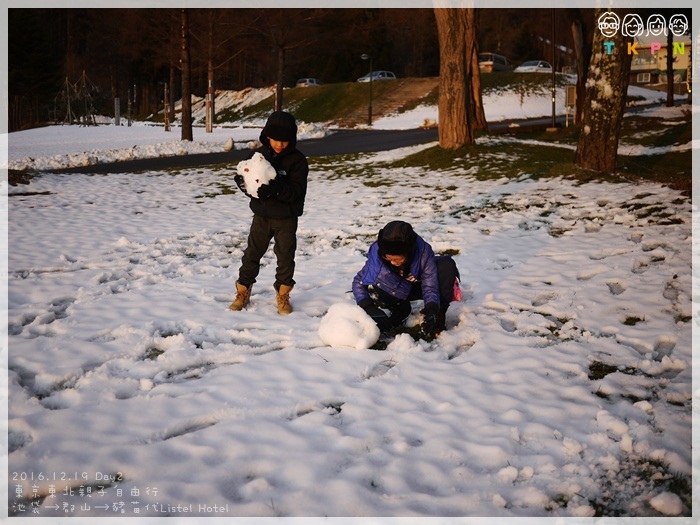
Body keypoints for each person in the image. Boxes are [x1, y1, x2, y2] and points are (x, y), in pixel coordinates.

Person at [230, 111, 308, 314]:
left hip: (286, 218)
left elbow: (297, 192)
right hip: (262, 216)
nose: (279, 145)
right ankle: (243, 291)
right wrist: (243, 184)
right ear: (267, 136)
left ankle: (283, 295)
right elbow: (248, 179)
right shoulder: (257, 156)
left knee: (285, 256)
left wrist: (277, 188)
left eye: (285, 141)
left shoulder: (297, 161)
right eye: (276, 140)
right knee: (252, 254)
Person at [352, 220, 460, 339]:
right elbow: (358, 282)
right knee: (379, 277)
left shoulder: (423, 253)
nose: (393, 262)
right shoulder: (377, 257)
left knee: (446, 266)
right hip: (392, 289)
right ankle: (399, 307)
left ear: (408, 252)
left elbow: (430, 284)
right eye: (389, 258)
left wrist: (432, 306)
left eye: (398, 259)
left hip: (415, 287)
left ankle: (438, 315)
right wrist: (368, 306)